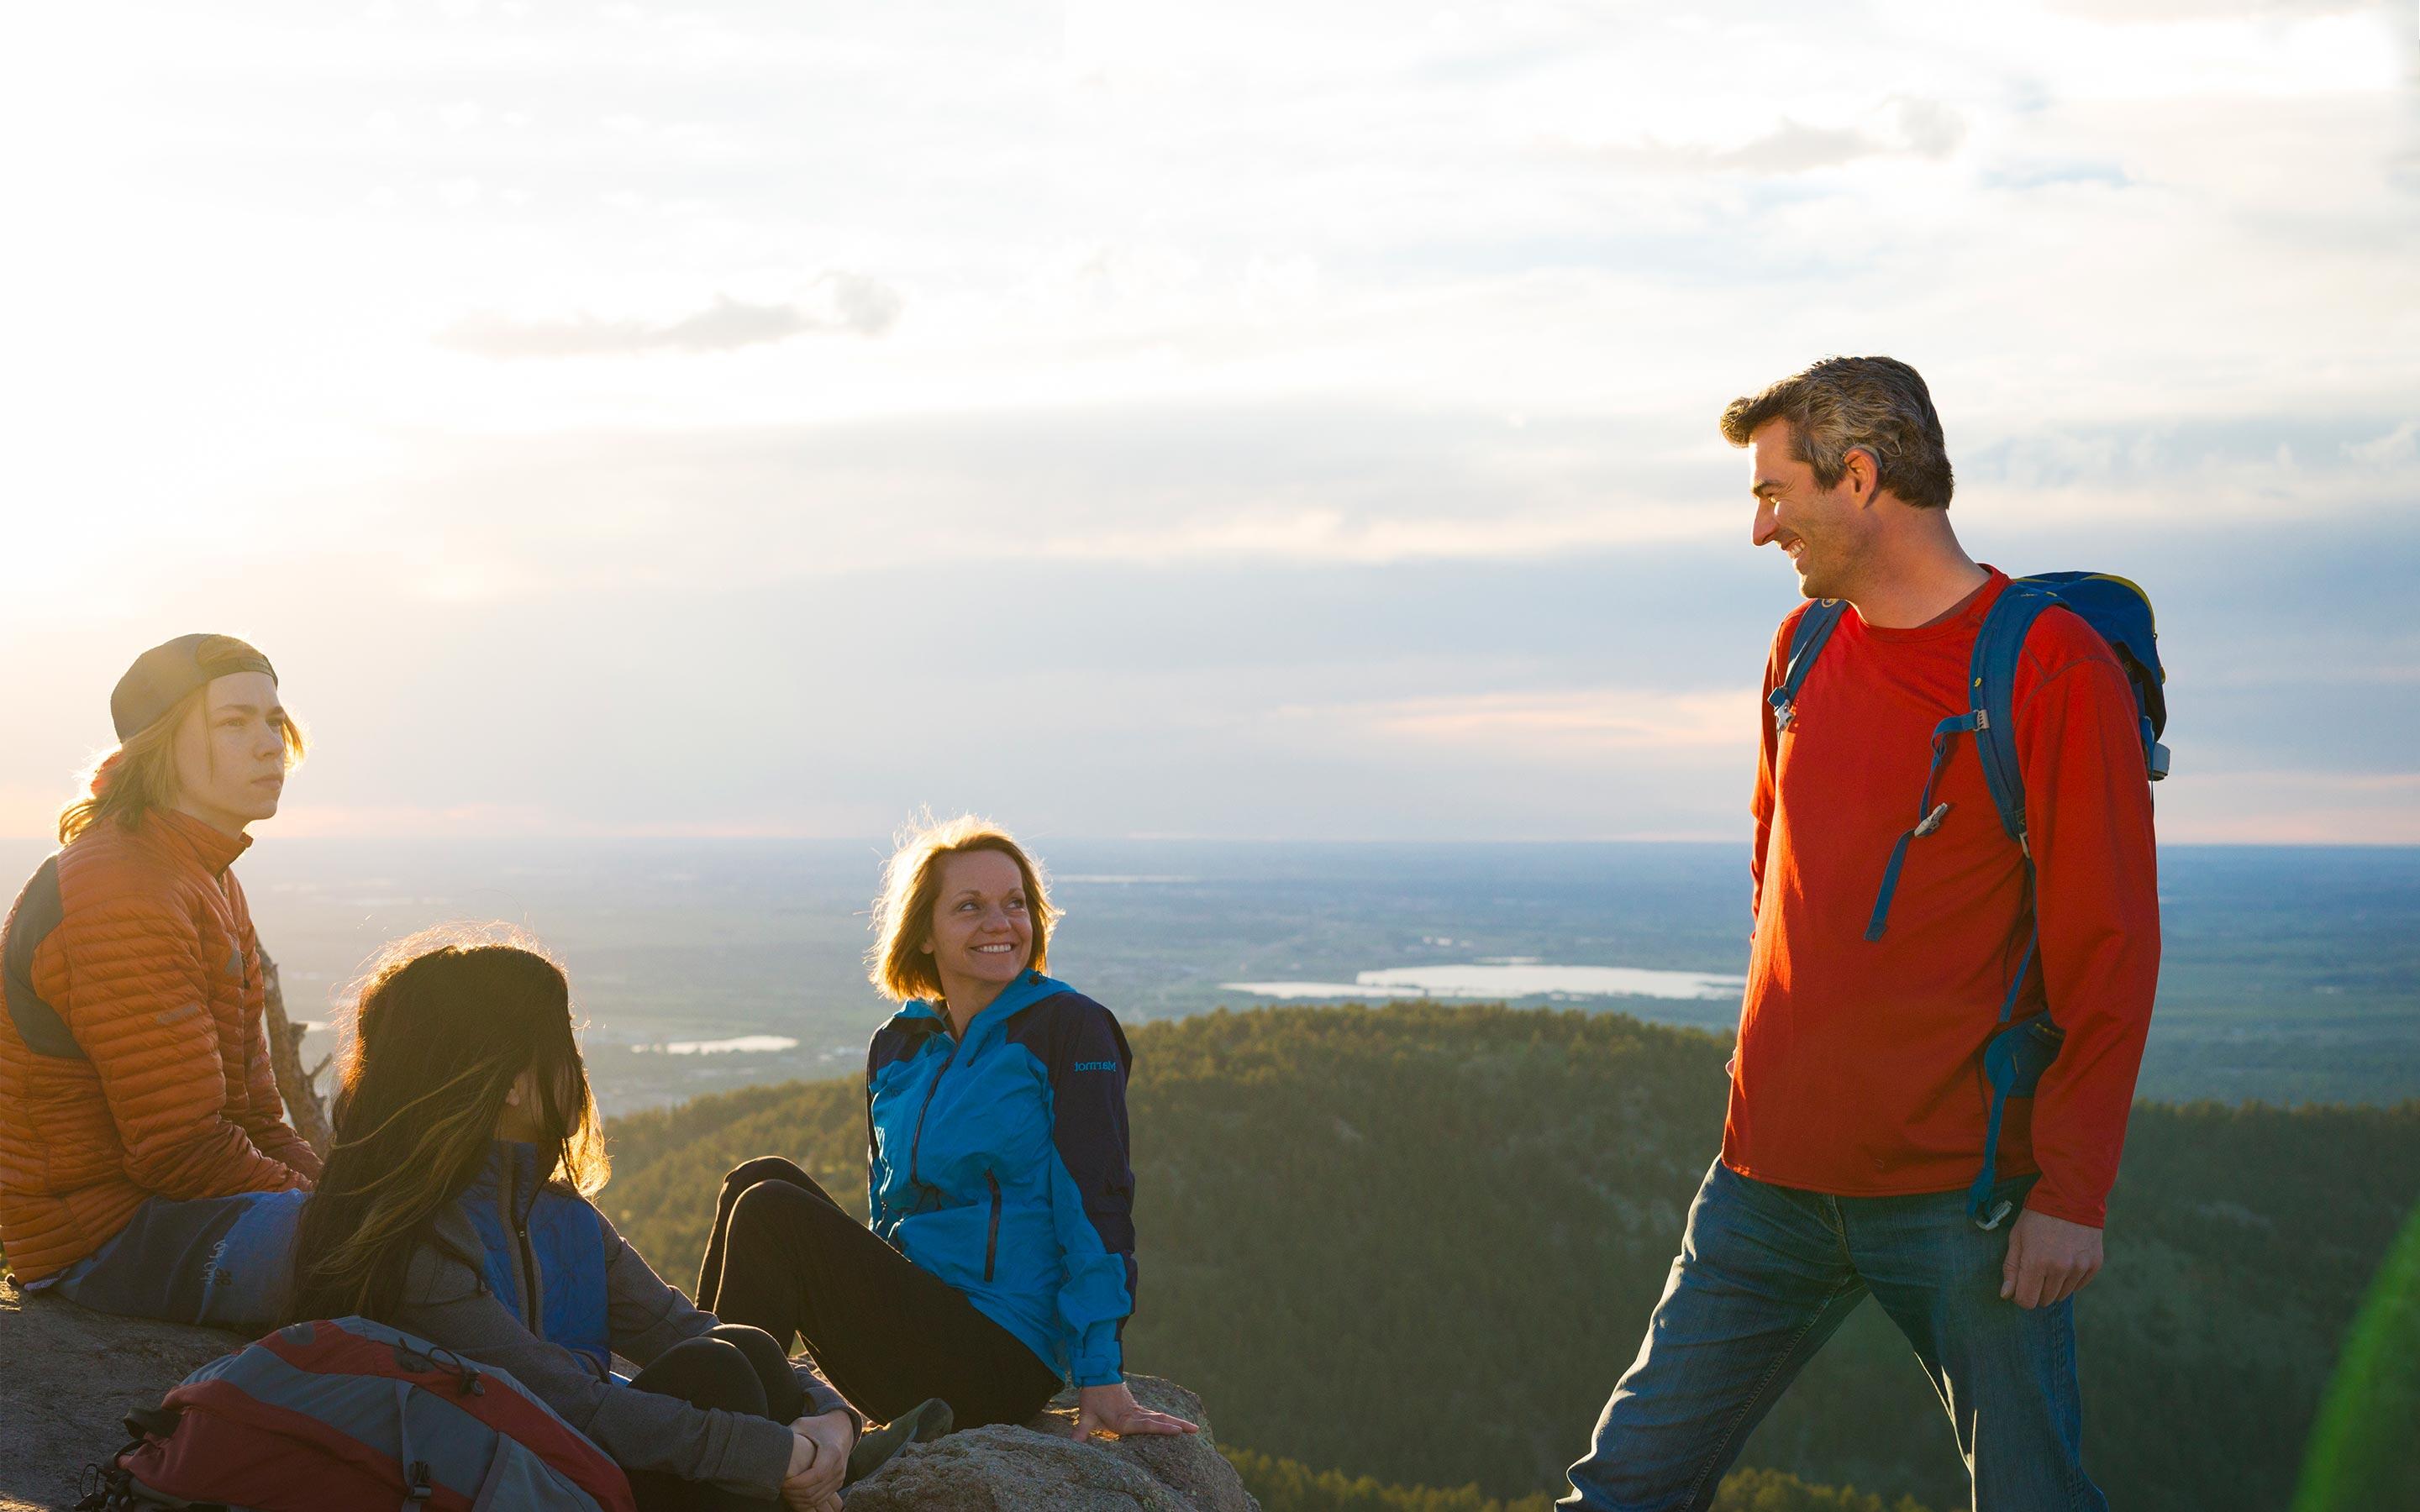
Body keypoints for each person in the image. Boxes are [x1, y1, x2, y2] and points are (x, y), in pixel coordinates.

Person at [1562, 358, 2160, 1511]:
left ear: (1861, 477)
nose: (1758, 529)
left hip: (1965, 1200)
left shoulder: (2048, 667)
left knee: (2032, 1497)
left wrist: (2072, 1194)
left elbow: (2111, 951)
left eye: (1775, 492)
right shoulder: (1804, 650)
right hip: (1762, 1186)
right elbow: (1774, 879)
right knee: (1622, 1489)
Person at [287, 930, 867, 1512]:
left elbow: (685, 1327)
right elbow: (562, 1405)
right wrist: (775, 1453)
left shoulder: (561, 1216)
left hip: (573, 1473)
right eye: (563, 1047)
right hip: (500, 1485)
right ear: (511, 1083)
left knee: (742, 1349)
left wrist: (830, 1417)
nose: (578, 1068)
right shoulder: (420, 1243)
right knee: (715, 1374)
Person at [693, 815, 1197, 1442]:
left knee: (771, 1212)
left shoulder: (1068, 1028)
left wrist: (1100, 1370)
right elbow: (888, 1211)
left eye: (1015, 903)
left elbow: (1096, 1201)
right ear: (924, 933)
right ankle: (706, 1397)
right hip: (916, 1330)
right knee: (756, 1181)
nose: (1000, 923)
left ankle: (726, 1441)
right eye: (969, 907)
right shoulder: (900, 1045)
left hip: (996, 1356)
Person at [0, 633, 321, 1326]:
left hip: (180, 1214)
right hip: (102, 1242)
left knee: (534, 1220)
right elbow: (179, 1151)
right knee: (421, 1261)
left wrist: (351, 1201)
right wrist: (344, 1220)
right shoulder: (123, 886)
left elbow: (258, 1117)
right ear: (159, 746)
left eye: (272, 720)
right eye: (233, 723)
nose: (270, 744)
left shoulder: (203, 875)